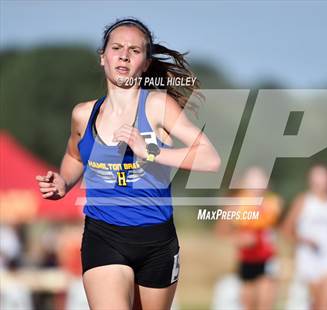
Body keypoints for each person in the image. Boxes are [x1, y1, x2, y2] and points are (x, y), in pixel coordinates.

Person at [35, 18, 220, 310]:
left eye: (134, 50)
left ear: (146, 63)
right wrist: (63, 182)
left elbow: (210, 158)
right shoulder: (84, 114)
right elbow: (74, 156)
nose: (124, 55)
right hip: (104, 234)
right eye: (117, 47)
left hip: (157, 241)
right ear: (103, 57)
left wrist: (149, 151)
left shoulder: (157, 106)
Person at [283, 164, 327, 310]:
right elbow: (287, 231)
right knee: (317, 304)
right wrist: (303, 240)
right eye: (316, 182)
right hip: (309, 259)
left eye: (324, 181)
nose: (320, 186)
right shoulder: (303, 201)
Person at [216, 166, 283, 310]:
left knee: (266, 304)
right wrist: (239, 238)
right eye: (253, 185)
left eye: (261, 184)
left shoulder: (273, 204)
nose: (257, 189)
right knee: (248, 304)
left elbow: (281, 229)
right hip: (246, 261)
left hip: (268, 260)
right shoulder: (237, 205)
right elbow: (221, 231)